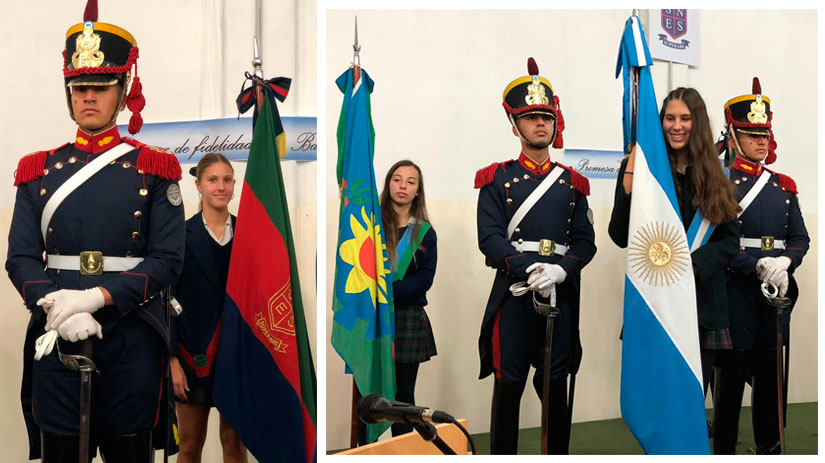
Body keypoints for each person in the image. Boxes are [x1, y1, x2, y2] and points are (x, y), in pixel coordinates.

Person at [5, 1, 184, 462]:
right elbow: (20, 257)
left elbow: (167, 259)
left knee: (129, 450)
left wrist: (95, 298)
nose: (88, 97)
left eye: (100, 88)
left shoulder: (154, 168)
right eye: (79, 88)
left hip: (131, 332)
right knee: (61, 448)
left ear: (122, 94)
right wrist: (57, 305)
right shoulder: (38, 171)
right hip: (57, 329)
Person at [475, 58, 596, 454]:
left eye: (546, 117)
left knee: (555, 386)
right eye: (530, 118)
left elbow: (585, 242)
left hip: (559, 296)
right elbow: (490, 238)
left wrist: (560, 271)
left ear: (555, 124)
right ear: (515, 126)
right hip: (514, 296)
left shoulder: (573, 183)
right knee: (508, 385)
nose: (540, 123)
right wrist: (530, 269)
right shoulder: (496, 178)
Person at [608, 87, 741, 411]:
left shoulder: (718, 177)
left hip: (701, 305)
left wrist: (689, 266)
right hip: (655, 303)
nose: (676, 126)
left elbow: (729, 242)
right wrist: (629, 182)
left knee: (689, 404)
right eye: (669, 118)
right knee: (655, 403)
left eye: (685, 118)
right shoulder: (642, 170)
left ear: (698, 123)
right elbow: (619, 236)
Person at [712, 78, 810, 455]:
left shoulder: (783, 186)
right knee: (731, 378)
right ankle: (724, 450)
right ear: (734, 136)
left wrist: (785, 262)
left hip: (776, 293)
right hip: (735, 292)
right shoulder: (720, 183)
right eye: (752, 134)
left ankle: (770, 448)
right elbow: (717, 241)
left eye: (764, 134)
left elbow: (800, 237)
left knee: (770, 376)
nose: (761, 141)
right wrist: (754, 266)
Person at [170, 153, 248, 462]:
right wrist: (173, 361)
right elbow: (167, 302)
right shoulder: (178, 236)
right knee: (190, 444)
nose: (221, 187)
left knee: (235, 442)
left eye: (227, 180)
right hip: (192, 356)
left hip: (237, 354)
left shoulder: (250, 234)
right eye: (213, 180)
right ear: (198, 185)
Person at [378, 160, 438, 436]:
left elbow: (424, 280)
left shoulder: (425, 233)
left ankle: (401, 448)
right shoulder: (370, 226)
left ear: (418, 191)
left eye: (410, 182)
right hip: (373, 316)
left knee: (403, 395)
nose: (403, 186)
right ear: (388, 184)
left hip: (406, 318)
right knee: (369, 391)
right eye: (397, 179)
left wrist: (385, 293)